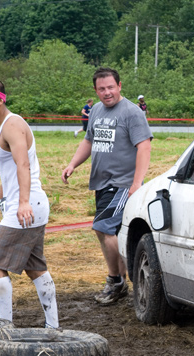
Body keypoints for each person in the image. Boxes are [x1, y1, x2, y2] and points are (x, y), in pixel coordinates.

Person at [61, 68, 152, 305]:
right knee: (108, 231)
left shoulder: (132, 113)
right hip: (101, 182)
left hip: (122, 182)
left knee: (103, 227)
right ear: (95, 90)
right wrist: (72, 164)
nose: (106, 92)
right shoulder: (96, 111)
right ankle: (121, 278)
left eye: (111, 87)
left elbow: (144, 147)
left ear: (120, 86)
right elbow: (89, 140)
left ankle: (116, 281)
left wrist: (136, 183)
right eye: (101, 89)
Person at [0, 79, 59, 328]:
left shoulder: (12, 124)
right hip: (26, 205)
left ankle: (5, 329)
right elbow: (13, 171)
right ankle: (53, 327)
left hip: (26, 207)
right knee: (36, 268)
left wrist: (23, 203)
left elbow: (23, 165)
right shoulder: (6, 125)